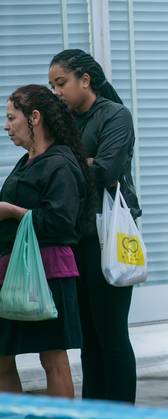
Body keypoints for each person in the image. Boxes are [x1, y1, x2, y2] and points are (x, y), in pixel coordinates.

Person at [48, 49, 141, 403]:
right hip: (75, 236)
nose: (56, 92)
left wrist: (70, 164)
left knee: (111, 333)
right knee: (87, 337)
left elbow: (105, 170)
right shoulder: (66, 120)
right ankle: (95, 415)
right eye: (52, 86)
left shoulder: (115, 115)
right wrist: (80, 162)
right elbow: (54, 166)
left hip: (107, 235)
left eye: (61, 83)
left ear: (85, 80)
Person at [0, 85, 89, 397]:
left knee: (52, 358)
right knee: (2, 357)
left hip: (49, 272)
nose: (6, 126)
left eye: (11, 118)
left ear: (34, 117)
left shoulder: (60, 163)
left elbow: (61, 221)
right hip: (13, 271)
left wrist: (13, 212)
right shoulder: (27, 161)